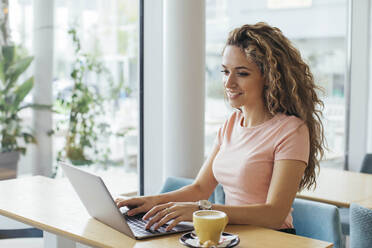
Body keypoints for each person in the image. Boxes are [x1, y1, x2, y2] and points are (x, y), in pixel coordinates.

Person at [116, 22, 325, 234]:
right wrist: (147, 201)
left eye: (242, 73)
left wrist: (202, 210)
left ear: (269, 78)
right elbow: (199, 188)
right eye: (225, 71)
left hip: (272, 238)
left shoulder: (291, 130)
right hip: (230, 234)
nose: (228, 83)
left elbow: (275, 214)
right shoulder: (232, 123)